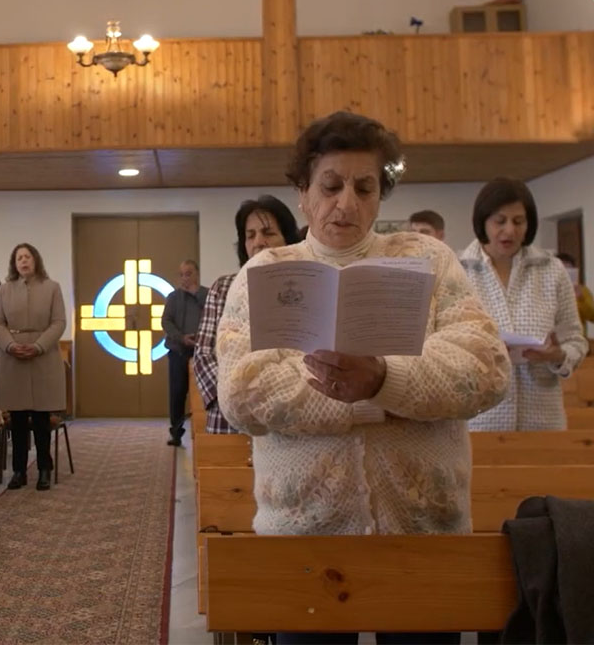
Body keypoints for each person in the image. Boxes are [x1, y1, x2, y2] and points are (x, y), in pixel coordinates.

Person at [217, 111, 510, 645]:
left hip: (423, 527)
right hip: (305, 533)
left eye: (364, 187)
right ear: (303, 192)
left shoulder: (429, 261)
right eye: (330, 186)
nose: (346, 202)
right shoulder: (264, 273)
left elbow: (485, 368)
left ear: (381, 195)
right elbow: (243, 393)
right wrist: (367, 398)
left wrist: (381, 378)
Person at [462, 179, 588, 431]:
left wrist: (558, 355)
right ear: (483, 221)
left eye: (518, 221)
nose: (509, 230)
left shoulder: (552, 270)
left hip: (542, 421)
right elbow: (441, 345)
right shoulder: (458, 271)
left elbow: (576, 340)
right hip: (479, 422)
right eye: (500, 221)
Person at [193, 196, 301, 434]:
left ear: (288, 239)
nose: (259, 242)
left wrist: (276, 401)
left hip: (290, 412)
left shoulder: (304, 287)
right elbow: (203, 354)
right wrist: (236, 400)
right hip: (230, 416)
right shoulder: (224, 288)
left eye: (268, 233)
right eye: (250, 235)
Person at [0, 243, 66, 491]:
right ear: (14, 263)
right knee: (19, 420)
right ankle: (19, 470)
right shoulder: (4, 289)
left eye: (27, 256)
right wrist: (11, 345)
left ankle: (45, 467)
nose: (23, 261)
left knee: (42, 417)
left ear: (36, 260)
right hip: (13, 358)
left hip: (42, 357)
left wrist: (39, 346)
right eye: (19, 257)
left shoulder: (52, 288)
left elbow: (58, 322)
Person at [162, 260, 208, 446]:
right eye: (181, 274)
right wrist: (181, 338)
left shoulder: (207, 294)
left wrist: (196, 294)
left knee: (203, 393)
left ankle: (205, 430)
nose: (184, 278)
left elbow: (214, 315)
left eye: (188, 274)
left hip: (202, 352)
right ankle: (176, 432)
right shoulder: (173, 298)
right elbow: (166, 322)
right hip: (179, 351)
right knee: (177, 392)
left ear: (197, 274)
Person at [557, 253, 594, 333]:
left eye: (568, 271)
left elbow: (592, 317)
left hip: (577, 339)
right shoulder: (545, 291)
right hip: (552, 341)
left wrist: (581, 298)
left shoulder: (583, 290)